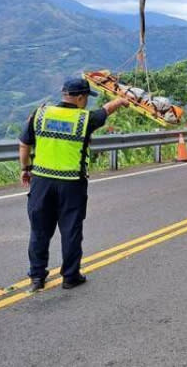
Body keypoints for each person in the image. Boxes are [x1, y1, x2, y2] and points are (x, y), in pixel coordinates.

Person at [19, 77, 127, 292]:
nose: (86, 101)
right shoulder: (84, 120)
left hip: (41, 182)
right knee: (71, 231)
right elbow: (105, 111)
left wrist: (25, 169)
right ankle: (70, 277)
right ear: (79, 97)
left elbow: (24, 143)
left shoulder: (40, 114)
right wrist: (121, 100)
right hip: (71, 184)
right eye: (86, 97)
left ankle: (37, 278)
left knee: (39, 231)